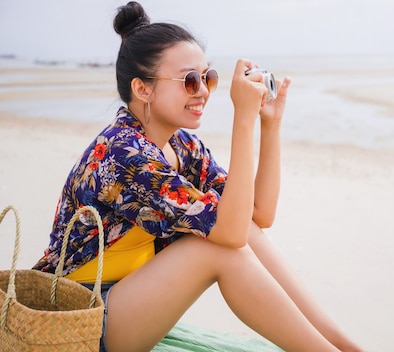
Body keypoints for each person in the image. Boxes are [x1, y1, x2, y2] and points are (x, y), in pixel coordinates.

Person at [32, 2, 363, 351]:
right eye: (190, 80)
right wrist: (243, 119)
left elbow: (256, 215)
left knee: (237, 231)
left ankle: (346, 346)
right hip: (75, 320)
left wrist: (270, 124)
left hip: (124, 301)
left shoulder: (180, 145)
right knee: (217, 250)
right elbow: (229, 237)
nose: (203, 90)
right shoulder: (124, 153)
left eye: (208, 77)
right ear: (142, 89)